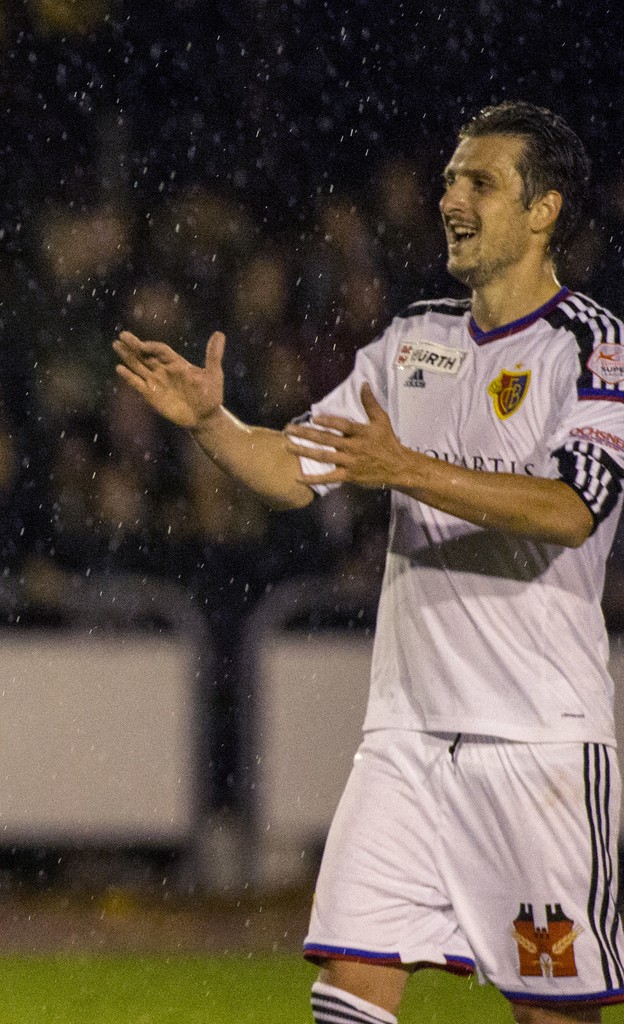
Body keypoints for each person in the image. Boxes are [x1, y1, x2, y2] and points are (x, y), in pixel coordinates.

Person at [115, 101, 624, 1023]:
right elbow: (293, 470)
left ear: (545, 208)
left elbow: (572, 510)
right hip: (404, 737)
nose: (451, 199)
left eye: (480, 182)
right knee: (349, 993)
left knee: (555, 1014)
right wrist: (213, 425)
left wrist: (406, 469)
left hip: (538, 743)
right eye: (447, 180)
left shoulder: (593, 350)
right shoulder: (411, 343)